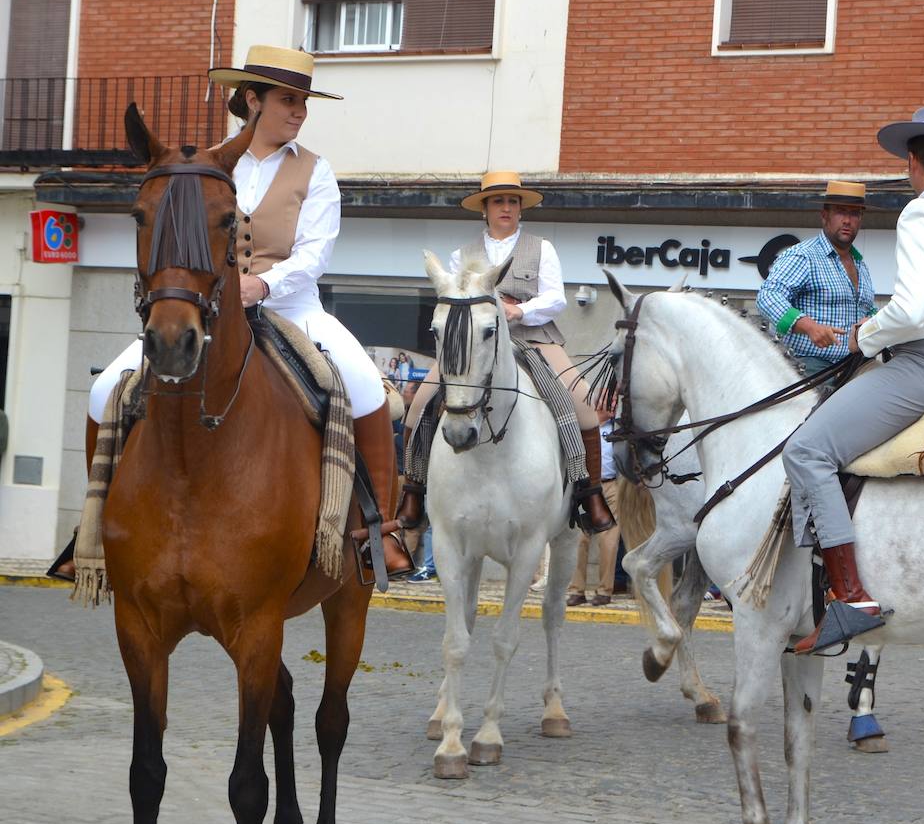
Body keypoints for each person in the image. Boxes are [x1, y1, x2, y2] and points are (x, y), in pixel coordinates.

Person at [56, 45, 410, 580]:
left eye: (303, 102)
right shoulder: (209, 165)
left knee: (363, 385)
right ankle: (98, 526)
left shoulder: (315, 170)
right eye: (288, 100)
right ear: (253, 100)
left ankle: (378, 533)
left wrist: (262, 284)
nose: (300, 112)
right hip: (209, 309)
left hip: (292, 307)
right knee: (104, 389)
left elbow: (315, 254)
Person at [784, 106, 924, 655]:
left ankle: (850, 596)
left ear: (913, 160)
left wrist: (862, 336)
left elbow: (910, 311)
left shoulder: (923, 212)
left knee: (807, 450)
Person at [398, 171, 614, 534]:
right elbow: (455, 301)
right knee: (419, 403)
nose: (506, 208)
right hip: (473, 345)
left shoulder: (542, 248)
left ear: (520, 208)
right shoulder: (461, 255)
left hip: (534, 338)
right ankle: (413, 491)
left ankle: (590, 495)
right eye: (498, 201)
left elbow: (556, 298)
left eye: (513, 201)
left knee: (582, 404)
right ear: (485, 209)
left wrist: (519, 311)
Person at [756, 181, 877, 375]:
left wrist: (871, 321)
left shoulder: (860, 264)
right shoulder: (803, 255)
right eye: (840, 212)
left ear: (860, 219)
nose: (847, 220)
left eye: (854, 213)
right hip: (807, 364)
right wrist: (810, 327)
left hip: (854, 364)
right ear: (824, 216)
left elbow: (868, 308)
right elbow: (768, 296)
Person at [568, 408, 621, 606]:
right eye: (609, 400)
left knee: (609, 541)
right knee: (579, 540)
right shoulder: (583, 427)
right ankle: (576, 590)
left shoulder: (618, 430)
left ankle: (604, 591)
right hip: (585, 487)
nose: (612, 405)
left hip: (611, 485)